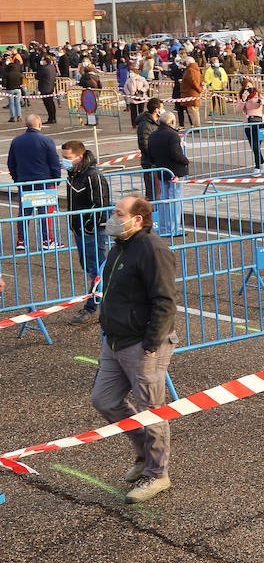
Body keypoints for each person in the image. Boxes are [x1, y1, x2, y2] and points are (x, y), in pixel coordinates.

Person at [91, 195, 177, 504]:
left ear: (137, 219)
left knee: (151, 410)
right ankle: (144, 452)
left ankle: (158, 474)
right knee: (104, 399)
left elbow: (165, 301)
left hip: (142, 344)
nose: (112, 217)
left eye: (118, 213)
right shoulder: (120, 246)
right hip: (114, 341)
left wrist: (151, 346)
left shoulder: (152, 250)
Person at [63, 140, 112, 323]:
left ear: (80, 157)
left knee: (97, 271)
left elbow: (101, 205)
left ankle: (93, 307)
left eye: (68, 158)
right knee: (89, 267)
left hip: (92, 232)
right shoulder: (73, 173)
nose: (64, 161)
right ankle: (106, 304)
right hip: (79, 230)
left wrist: (89, 228)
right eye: (63, 157)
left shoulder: (93, 175)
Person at [7, 114, 62, 250]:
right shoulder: (47, 141)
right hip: (44, 181)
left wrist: (17, 178)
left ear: (26, 125)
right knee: (45, 212)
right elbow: (54, 163)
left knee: (24, 213)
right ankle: (47, 240)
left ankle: (21, 240)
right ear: (40, 125)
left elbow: (11, 163)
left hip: (24, 182)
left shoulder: (16, 141)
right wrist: (56, 179)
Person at [145, 110, 188, 237]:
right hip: (175, 171)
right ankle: (174, 228)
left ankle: (164, 227)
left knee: (164, 199)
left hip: (161, 170)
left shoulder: (153, 135)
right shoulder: (173, 135)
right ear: (172, 122)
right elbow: (176, 154)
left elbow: (150, 154)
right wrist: (185, 160)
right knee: (175, 200)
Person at [234, 77, 264, 171]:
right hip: (248, 123)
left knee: (256, 145)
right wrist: (243, 100)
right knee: (253, 146)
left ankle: (257, 167)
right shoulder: (243, 97)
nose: (249, 88)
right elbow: (237, 110)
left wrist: (260, 101)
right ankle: (262, 162)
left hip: (260, 122)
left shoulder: (258, 95)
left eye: (250, 85)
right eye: (247, 86)